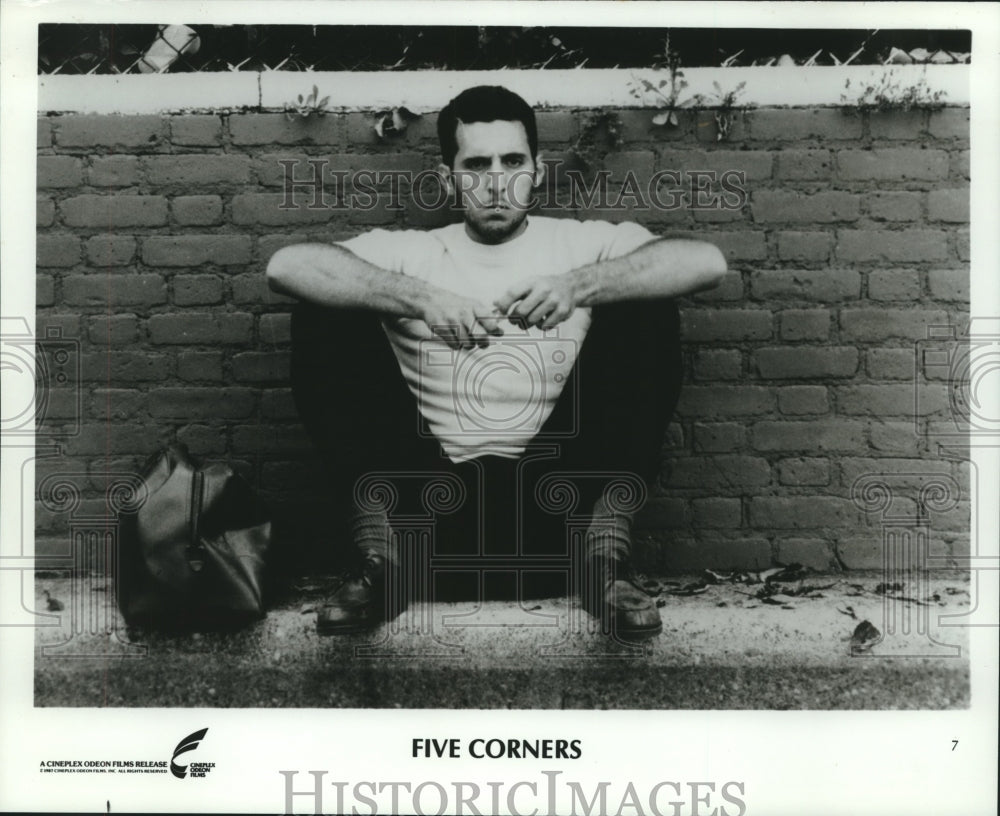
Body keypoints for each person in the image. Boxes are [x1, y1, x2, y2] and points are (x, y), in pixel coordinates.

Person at [266, 85, 726, 641]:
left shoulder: (583, 246)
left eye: (513, 162)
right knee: (325, 307)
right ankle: (379, 560)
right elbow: (287, 267)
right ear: (448, 179)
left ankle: (606, 559)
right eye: (477, 165)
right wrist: (419, 299)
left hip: (559, 519)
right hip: (427, 524)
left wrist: (577, 287)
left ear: (537, 170)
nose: (496, 182)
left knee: (645, 300)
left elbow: (705, 262)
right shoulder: (412, 253)